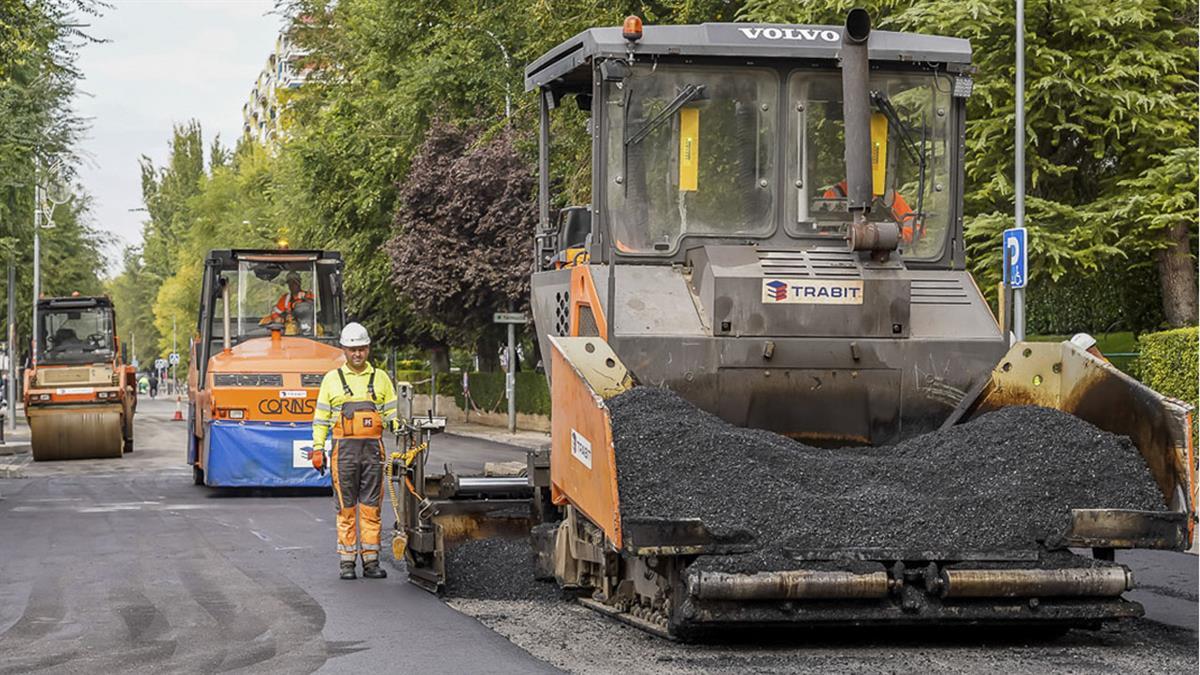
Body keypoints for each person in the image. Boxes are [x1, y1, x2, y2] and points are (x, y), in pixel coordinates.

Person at [309, 322, 399, 580]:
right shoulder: (332, 380)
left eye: (361, 349)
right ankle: (347, 561)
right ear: (344, 350)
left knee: (371, 507)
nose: (357, 354)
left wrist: (400, 428)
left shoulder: (381, 379)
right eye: (352, 350)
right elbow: (321, 419)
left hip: (373, 452)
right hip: (343, 452)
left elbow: (391, 416)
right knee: (346, 507)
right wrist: (318, 448)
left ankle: (371, 561)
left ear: (368, 348)